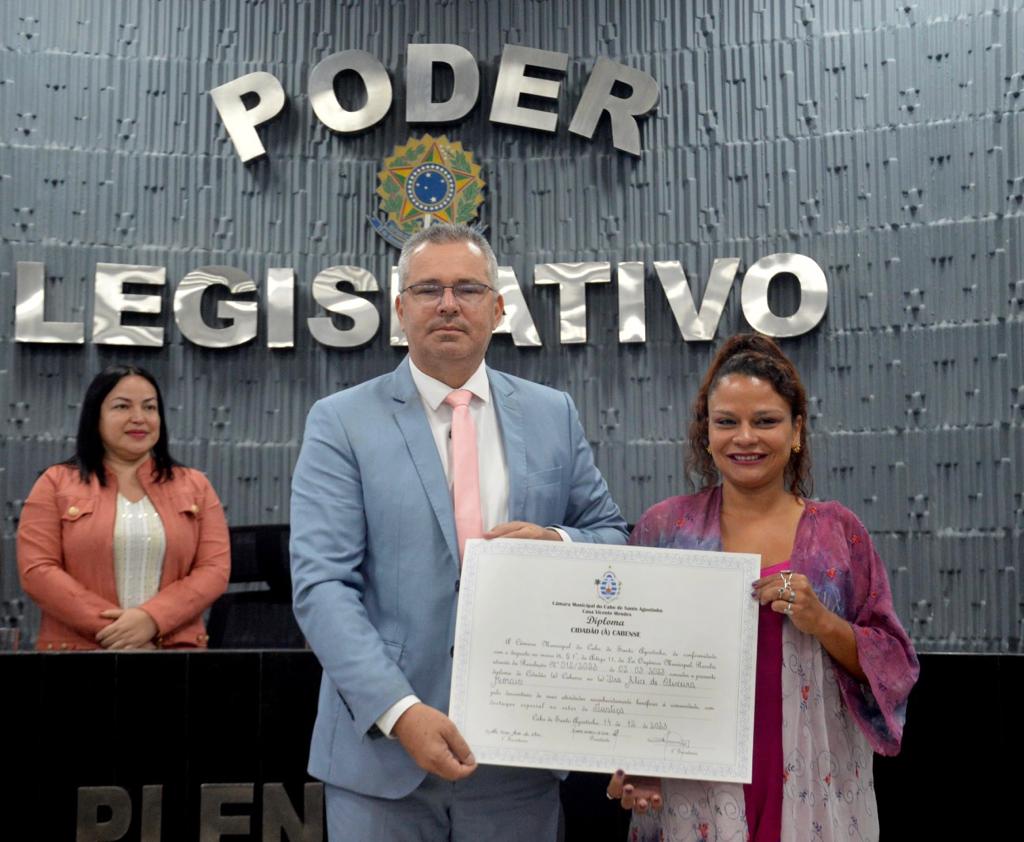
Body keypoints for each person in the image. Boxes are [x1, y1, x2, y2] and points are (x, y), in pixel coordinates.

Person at [290, 223, 628, 841]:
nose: (448, 304)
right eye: (428, 289)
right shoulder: (340, 423)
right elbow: (322, 586)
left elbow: (610, 535)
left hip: (518, 757)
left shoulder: (553, 414)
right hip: (383, 757)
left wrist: (557, 544)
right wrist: (401, 712)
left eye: (468, 288)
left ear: (498, 308)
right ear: (400, 308)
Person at [606, 334, 918, 842]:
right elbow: (629, 663)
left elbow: (895, 666)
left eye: (766, 421)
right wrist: (631, 759)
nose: (744, 437)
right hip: (696, 780)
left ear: (796, 430)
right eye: (727, 422)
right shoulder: (665, 528)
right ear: (706, 434)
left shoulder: (839, 532)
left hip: (814, 775)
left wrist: (822, 620)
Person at [17, 365, 230, 650]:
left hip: (174, 654)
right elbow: (38, 571)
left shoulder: (195, 485)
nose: (139, 418)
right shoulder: (55, 483)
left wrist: (152, 620)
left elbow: (214, 570)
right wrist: (120, 632)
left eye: (150, 407)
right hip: (78, 654)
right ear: (96, 416)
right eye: (122, 407)